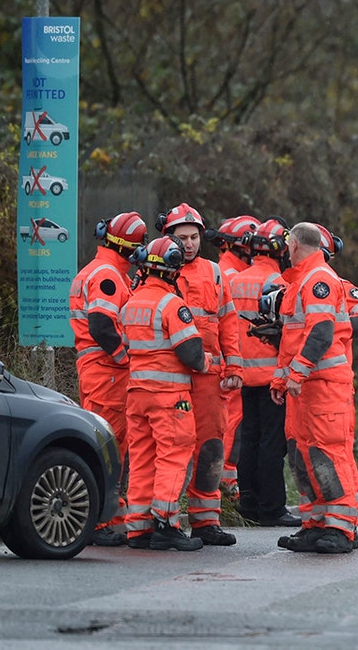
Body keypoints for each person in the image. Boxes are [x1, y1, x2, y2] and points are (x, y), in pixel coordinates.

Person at [271, 222, 358, 554]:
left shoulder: (318, 280)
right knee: (302, 456)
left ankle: (342, 527)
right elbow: (291, 340)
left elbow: (321, 334)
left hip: (322, 386)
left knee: (329, 454)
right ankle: (315, 523)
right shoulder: (299, 283)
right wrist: (282, 379)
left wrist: (295, 374)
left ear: (294, 244)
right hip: (303, 389)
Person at [157, 203, 244, 546]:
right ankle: (165, 521)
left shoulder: (215, 272)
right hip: (173, 375)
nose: (189, 244)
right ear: (169, 238)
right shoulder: (158, 270)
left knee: (210, 447)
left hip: (210, 377)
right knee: (174, 448)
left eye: (194, 237)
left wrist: (234, 365)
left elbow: (228, 321)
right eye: (183, 238)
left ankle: (206, 521)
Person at [120, 236, 210, 551]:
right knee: (174, 454)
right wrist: (206, 361)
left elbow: (128, 346)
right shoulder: (172, 304)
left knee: (142, 458)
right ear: (172, 270)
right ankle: (166, 522)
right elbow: (191, 352)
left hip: (137, 394)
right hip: (170, 395)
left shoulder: (130, 304)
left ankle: (139, 528)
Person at [68, 211, 148, 547]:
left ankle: (110, 515)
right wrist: (125, 360)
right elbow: (102, 325)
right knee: (110, 445)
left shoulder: (101, 270)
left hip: (98, 371)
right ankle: (103, 521)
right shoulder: (109, 276)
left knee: (107, 443)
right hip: (107, 373)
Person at [226, 217, 300, 528]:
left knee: (249, 441)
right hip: (272, 379)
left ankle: (249, 503)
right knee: (272, 444)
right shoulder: (282, 285)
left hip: (242, 376)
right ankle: (272, 507)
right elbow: (291, 333)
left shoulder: (232, 282)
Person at [211, 215, 259, 505]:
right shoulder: (230, 276)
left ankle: (226, 485)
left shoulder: (223, 271)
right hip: (228, 364)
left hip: (227, 362)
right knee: (229, 424)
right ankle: (226, 487)